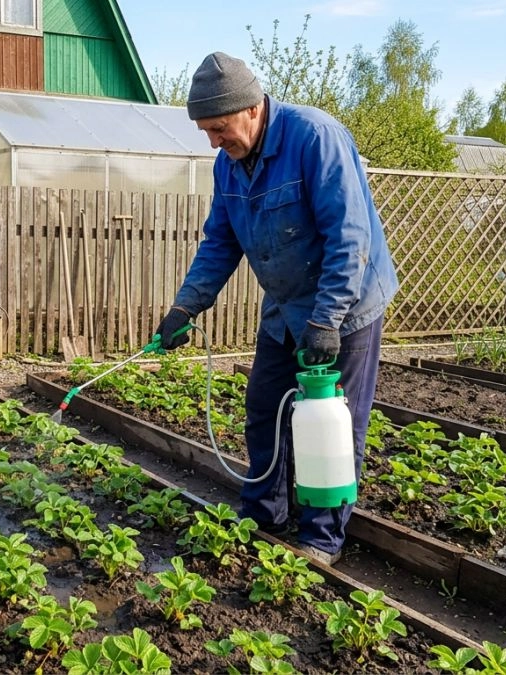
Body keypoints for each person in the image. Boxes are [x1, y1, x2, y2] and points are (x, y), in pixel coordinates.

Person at [155, 52, 399, 565]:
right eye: (206, 132)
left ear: (251, 108)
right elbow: (220, 242)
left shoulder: (314, 137)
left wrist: (327, 320)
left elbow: (348, 236)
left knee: (332, 419)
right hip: (286, 307)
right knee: (265, 408)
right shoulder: (230, 166)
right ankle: (266, 513)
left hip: (346, 305)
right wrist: (185, 308)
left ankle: (322, 537)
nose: (214, 141)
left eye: (219, 128)